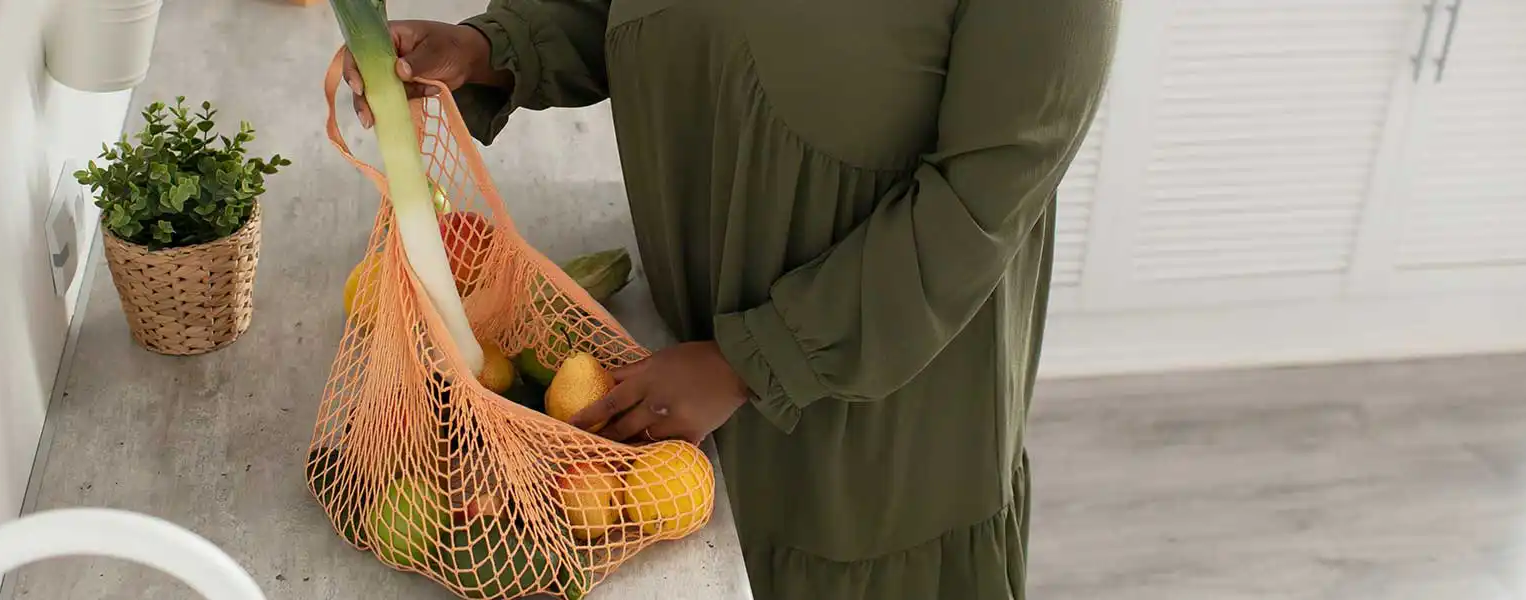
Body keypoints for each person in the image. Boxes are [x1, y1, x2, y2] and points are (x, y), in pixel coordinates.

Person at [344, 1, 1116, 597]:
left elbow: (981, 202)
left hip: (882, 422)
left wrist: (754, 360)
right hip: (680, 360)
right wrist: (488, 50)